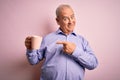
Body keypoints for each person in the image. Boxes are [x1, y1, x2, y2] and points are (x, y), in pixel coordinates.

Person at [25, 4, 98, 80]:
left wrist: (75, 51)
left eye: (72, 17)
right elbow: (33, 61)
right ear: (57, 21)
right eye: (66, 19)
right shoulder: (47, 39)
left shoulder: (82, 41)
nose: (71, 21)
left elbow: (93, 64)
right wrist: (30, 49)